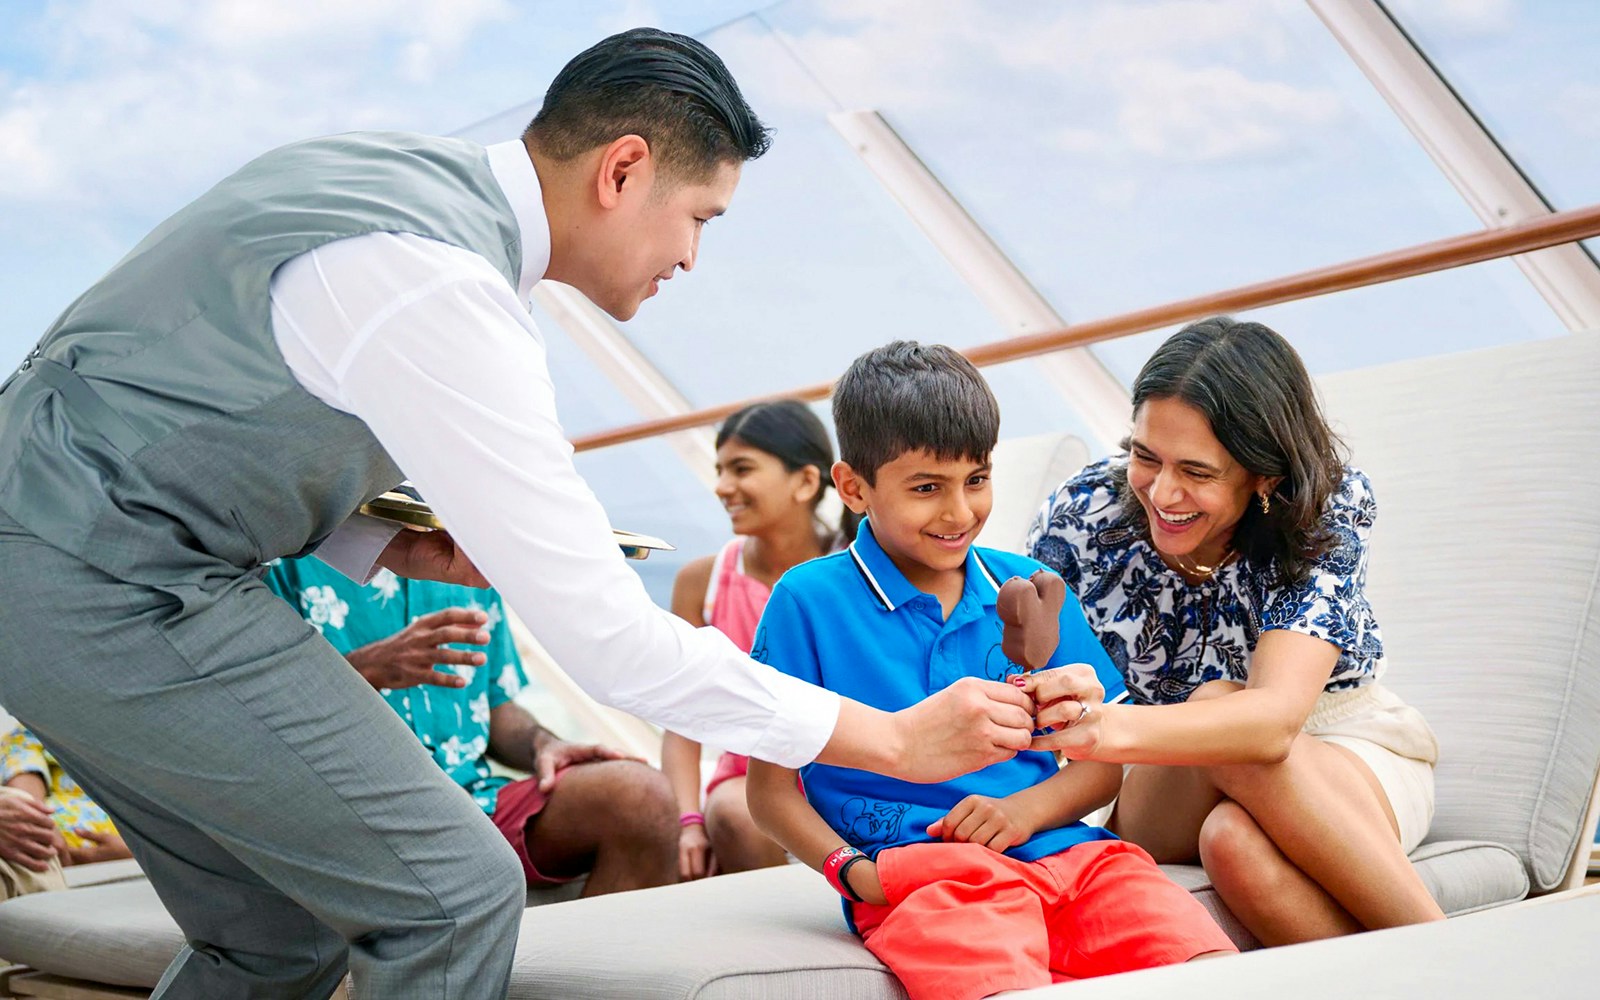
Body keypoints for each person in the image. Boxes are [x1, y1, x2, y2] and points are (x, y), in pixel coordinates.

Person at [0, 27, 1034, 997]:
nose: (690, 259)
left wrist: (379, 537)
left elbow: (186, 405)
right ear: (622, 170)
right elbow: (615, 647)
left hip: (59, 558)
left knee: (275, 932)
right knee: (452, 895)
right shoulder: (446, 291)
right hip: (108, 581)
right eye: (699, 219)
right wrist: (888, 740)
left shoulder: (377, 183)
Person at [746, 342, 1236, 1000]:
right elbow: (770, 792)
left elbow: (1099, 764)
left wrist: (1024, 812)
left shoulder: (1031, 587)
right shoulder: (806, 602)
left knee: (1210, 968)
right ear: (853, 488)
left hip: (1071, 857)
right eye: (927, 488)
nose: (959, 512)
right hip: (929, 878)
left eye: (976, 479)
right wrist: (856, 874)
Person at [1023, 316, 1445, 946]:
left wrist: (1103, 728)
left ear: (1264, 474)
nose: (1162, 492)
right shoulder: (1082, 515)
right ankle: (1460, 957)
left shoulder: (1326, 510)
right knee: (1223, 711)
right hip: (1159, 771)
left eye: (1197, 471)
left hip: (1345, 747)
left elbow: (1274, 721)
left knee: (1233, 839)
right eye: (1145, 456)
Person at [265, 556, 678, 897]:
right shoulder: (280, 558)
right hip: (359, 821)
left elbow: (494, 704)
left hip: (473, 806)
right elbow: (254, 717)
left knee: (642, 797)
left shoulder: (470, 558)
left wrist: (543, 743)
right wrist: (366, 669)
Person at [662, 399, 849, 880]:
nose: (723, 487)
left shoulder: (859, 573)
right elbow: (680, 714)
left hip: (853, 767)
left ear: (806, 482)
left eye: (741, 469)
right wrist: (687, 822)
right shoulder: (702, 582)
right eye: (720, 470)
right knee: (734, 813)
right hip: (746, 780)